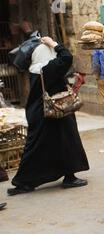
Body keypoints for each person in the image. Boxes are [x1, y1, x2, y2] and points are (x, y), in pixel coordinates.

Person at [7, 37, 89, 196]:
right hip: (55, 110)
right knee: (66, 142)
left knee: (42, 146)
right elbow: (66, 57)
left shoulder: (35, 68)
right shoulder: (50, 67)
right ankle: (66, 178)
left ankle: (26, 182)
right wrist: (54, 44)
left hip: (40, 112)